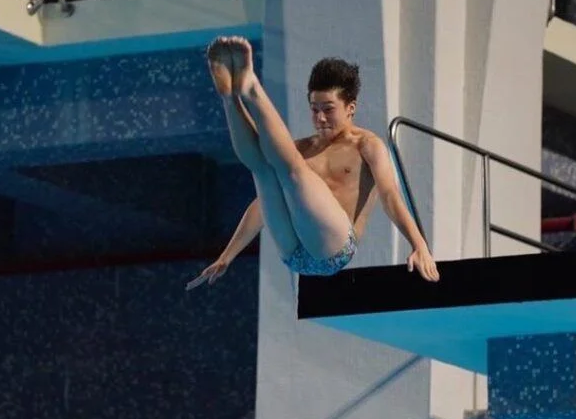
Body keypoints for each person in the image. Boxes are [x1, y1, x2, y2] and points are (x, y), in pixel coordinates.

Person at [186, 35, 439, 290]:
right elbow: (262, 205)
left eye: (328, 109)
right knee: (263, 169)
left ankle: (252, 89)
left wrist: (419, 245)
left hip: (335, 250)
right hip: (293, 255)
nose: (320, 118)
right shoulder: (302, 148)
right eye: (314, 109)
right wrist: (227, 255)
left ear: (350, 108)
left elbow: (390, 196)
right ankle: (230, 98)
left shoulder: (367, 146)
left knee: (292, 169)